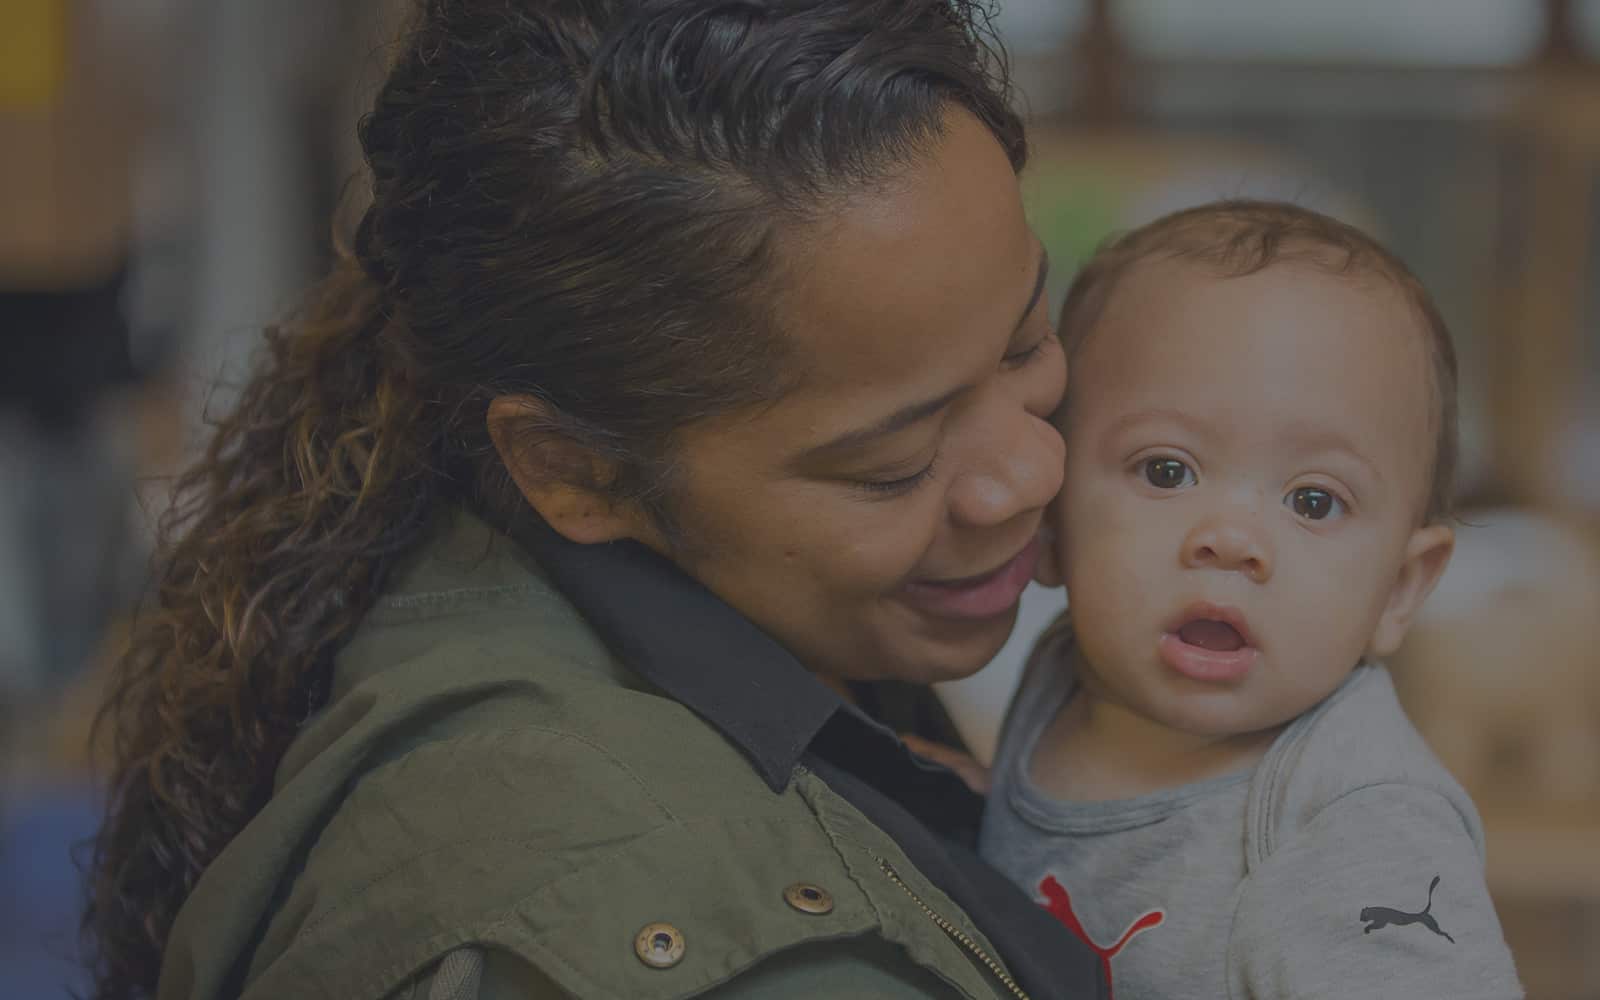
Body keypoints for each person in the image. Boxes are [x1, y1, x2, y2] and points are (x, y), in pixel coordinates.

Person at [83, 2, 1107, 998]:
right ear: (572, 466)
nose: (1031, 470)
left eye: (1024, 340)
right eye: (892, 463)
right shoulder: (758, 958)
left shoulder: (454, 524)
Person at [979, 200, 1523, 999]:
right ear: (1054, 522)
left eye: (1313, 501)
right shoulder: (1068, 668)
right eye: (1167, 471)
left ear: (1398, 590)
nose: (1231, 539)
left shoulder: (1355, 826)